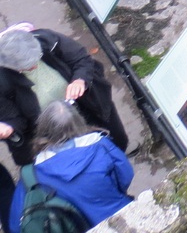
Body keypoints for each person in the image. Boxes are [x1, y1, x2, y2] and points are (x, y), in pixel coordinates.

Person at [0, 26, 127, 167]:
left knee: (117, 139)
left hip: (87, 104)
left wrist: (80, 79)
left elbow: (81, 59)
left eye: (36, 59)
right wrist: (11, 127)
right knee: (83, 161)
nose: (34, 66)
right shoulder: (2, 80)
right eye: (27, 66)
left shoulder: (47, 40)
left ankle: (119, 160)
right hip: (54, 127)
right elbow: (13, 116)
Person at [8, 102, 132, 232]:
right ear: (79, 121)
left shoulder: (31, 177)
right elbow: (126, 176)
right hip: (120, 217)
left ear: (43, 131)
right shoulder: (102, 145)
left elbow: (16, 224)